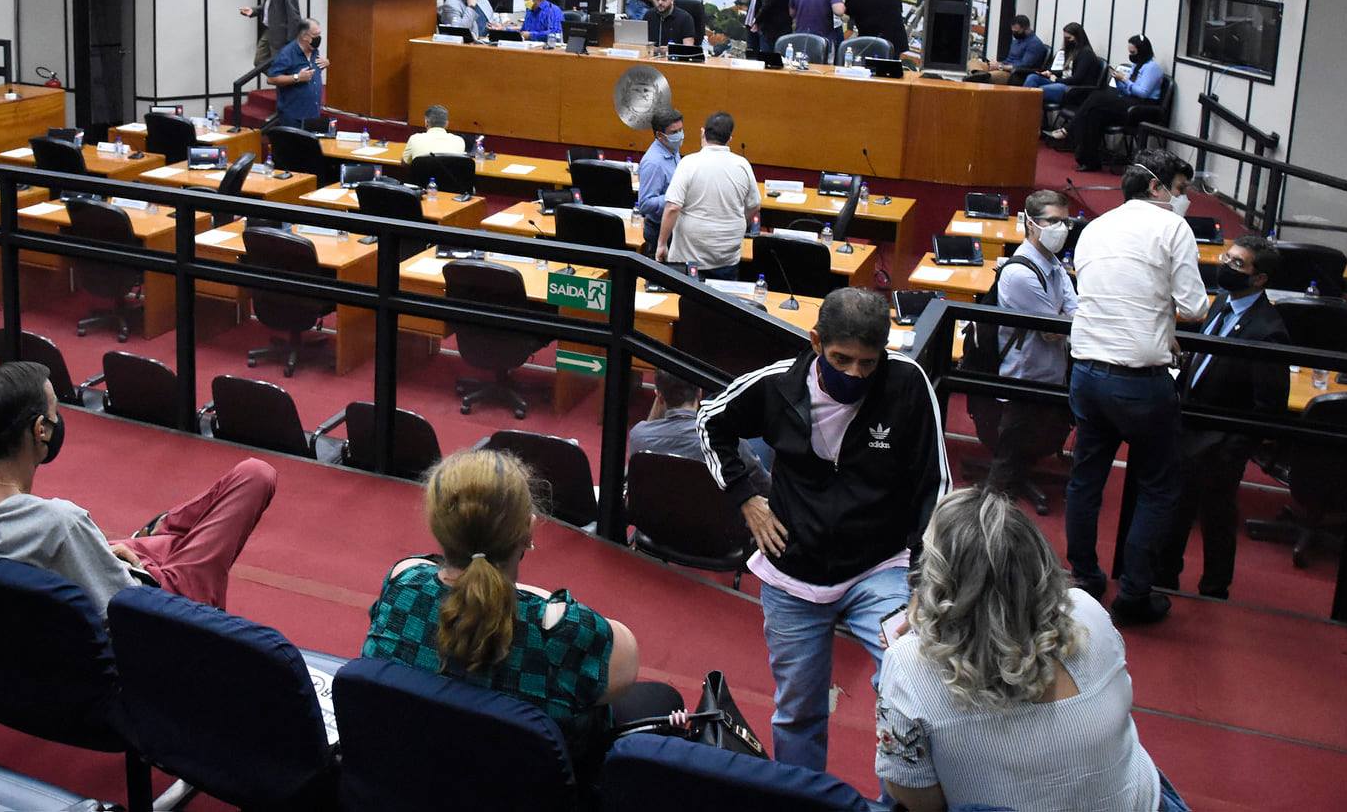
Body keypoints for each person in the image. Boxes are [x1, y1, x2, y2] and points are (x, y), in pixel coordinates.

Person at [697, 288, 949, 772]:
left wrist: (925, 581)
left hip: (882, 565)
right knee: (798, 713)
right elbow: (710, 422)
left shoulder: (907, 383)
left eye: (867, 363)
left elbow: (935, 484)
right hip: (795, 572)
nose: (855, 373)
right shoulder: (777, 385)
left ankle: (903, 800)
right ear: (816, 343)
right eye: (842, 359)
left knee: (912, 686)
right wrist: (746, 498)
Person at [362, 448, 683, 767]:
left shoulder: (402, 585)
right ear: (528, 530)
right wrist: (537, 602)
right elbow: (627, 663)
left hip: (414, 775)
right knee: (660, 699)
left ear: (438, 526)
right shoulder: (565, 629)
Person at [874, 488, 1189, 812]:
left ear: (937, 583)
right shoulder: (1087, 610)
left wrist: (921, 633)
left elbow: (918, 804)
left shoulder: (910, 664)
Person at [0, 362, 277, 614]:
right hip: (164, 602)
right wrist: (107, 558)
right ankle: (165, 529)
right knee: (256, 475)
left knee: (168, 537)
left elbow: (7, 537)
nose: (58, 421)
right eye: (55, 413)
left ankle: (164, 529)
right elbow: (126, 604)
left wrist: (102, 553)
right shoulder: (62, 523)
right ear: (40, 431)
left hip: (96, 561)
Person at [1065, 148, 1209, 624]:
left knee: (1086, 480)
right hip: (1139, 383)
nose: (1184, 200)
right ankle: (1135, 592)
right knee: (1159, 487)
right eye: (1181, 189)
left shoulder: (1095, 227)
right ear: (1156, 187)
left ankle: (1083, 577)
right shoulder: (1172, 228)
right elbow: (1195, 308)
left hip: (1085, 374)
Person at [1154, 234, 1289, 600]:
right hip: (1186, 424)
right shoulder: (1221, 303)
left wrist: (1234, 449)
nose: (1226, 267)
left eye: (1237, 264)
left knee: (1216, 519)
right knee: (1176, 511)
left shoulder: (1269, 331)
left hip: (1220, 442)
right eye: (1227, 258)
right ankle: (1164, 578)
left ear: (1259, 279)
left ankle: (1215, 589)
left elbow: (1269, 405)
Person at [976, 190, 1078, 514]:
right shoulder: (1020, 273)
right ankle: (986, 523)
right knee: (1004, 470)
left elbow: (1076, 312)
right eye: (1053, 221)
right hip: (1023, 379)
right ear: (1031, 224)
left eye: (1065, 221)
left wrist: (1064, 317)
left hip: (1050, 373)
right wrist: (1065, 318)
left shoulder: (1054, 265)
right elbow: (1055, 330)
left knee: (1037, 440)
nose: (1061, 228)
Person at [655, 111, 759, 280]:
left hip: (689, 260)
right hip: (727, 259)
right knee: (721, 305)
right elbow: (754, 206)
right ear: (729, 139)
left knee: (686, 304)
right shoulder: (743, 165)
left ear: (703, 132)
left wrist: (661, 244)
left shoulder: (688, 163)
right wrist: (737, 222)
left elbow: (673, 207)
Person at [628, 371, 769, 496]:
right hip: (717, 522)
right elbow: (765, 486)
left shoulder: (638, 436)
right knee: (763, 442)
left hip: (655, 521)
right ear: (700, 393)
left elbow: (647, 427)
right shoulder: (731, 444)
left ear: (659, 398)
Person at [1060, 34, 1165, 172]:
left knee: (1097, 97)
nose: (1131, 55)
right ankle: (1089, 160)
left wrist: (1125, 80)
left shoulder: (1152, 68)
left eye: (1133, 52)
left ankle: (1069, 128)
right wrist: (1119, 81)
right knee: (1093, 113)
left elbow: (1143, 92)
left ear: (1142, 51)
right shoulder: (1136, 66)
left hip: (1142, 107)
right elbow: (1127, 90)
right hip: (1128, 100)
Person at [635, 107, 683, 259]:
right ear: (660, 136)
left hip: (673, 227)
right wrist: (676, 197)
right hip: (658, 231)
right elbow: (645, 203)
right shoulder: (654, 162)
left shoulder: (672, 151)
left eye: (681, 130)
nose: (680, 136)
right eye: (674, 132)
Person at [268, 17, 329, 131]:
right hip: (294, 117)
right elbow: (271, 79)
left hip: (313, 114)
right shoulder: (287, 53)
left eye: (319, 34)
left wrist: (325, 64)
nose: (319, 38)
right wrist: (297, 77)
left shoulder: (314, 50)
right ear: (305, 36)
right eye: (315, 35)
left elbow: (312, 74)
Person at [241, 0, 302, 71]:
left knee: (280, 66)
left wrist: (292, 40)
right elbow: (268, 6)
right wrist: (253, 11)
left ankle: (285, 83)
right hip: (269, 30)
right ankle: (281, 80)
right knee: (259, 61)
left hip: (282, 34)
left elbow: (294, 14)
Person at [1025, 21, 1104, 110]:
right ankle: (1025, 110)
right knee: (1032, 77)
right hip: (1064, 83)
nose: (1067, 41)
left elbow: (1077, 79)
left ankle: (1025, 114)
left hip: (1073, 89)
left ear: (1078, 37)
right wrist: (1050, 73)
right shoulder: (1072, 51)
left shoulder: (1086, 54)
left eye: (1069, 38)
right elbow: (1066, 72)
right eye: (1065, 38)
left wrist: (1056, 79)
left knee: (1036, 92)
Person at [975, 14, 1049, 84]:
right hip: (1004, 67)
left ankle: (980, 76)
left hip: (1013, 74)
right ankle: (980, 75)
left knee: (990, 76)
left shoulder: (1034, 44)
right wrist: (998, 63)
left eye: (1016, 31)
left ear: (1026, 29)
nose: (1014, 33)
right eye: (1013, 31)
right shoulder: (1016, 41)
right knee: (974, 62)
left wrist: (1000, 67)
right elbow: (1009, 60)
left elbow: (1023, 66)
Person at [402, 103, 467, 165]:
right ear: (447, 124)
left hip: (422, 176)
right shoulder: (459, 141)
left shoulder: (414, 139)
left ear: (426, 122)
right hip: (447, 176)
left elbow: (405, 163)